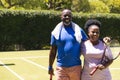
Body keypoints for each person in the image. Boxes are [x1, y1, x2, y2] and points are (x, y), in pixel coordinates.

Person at [48, 9, 88, 80]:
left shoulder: (78, 30)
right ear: (61, 17)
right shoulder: (55, 32)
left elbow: (89, 43)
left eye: (69, 16)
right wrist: (50, 66)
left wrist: (101, 40)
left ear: (71, 17)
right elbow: (53, 51)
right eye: (65, 16)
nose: (67, 17)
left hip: (76, 68)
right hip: (61, 68)